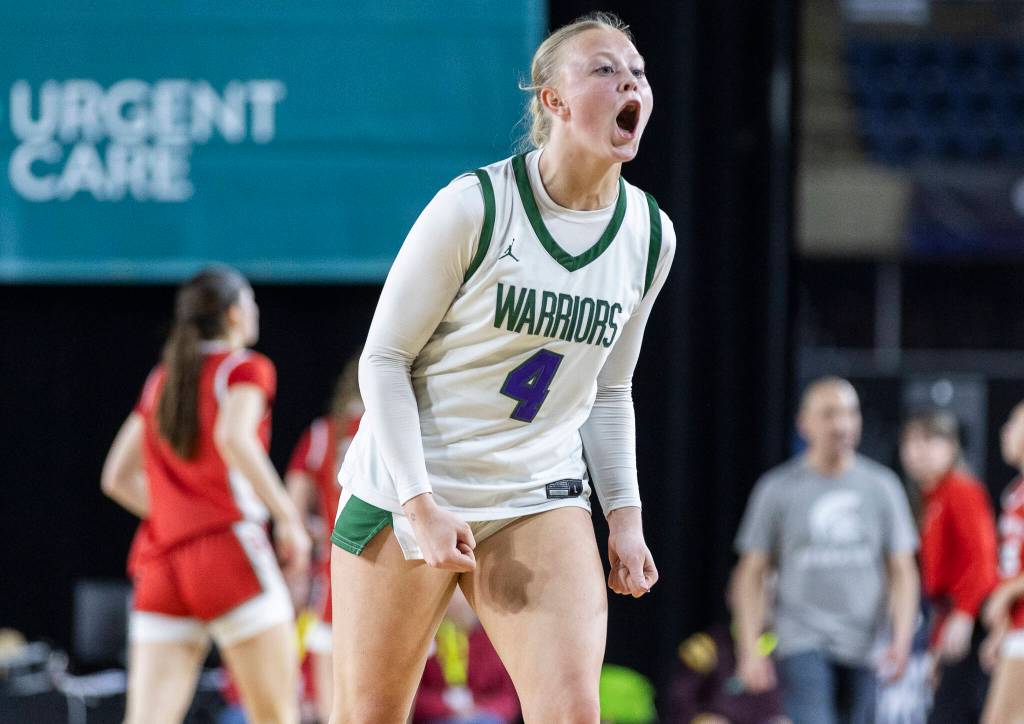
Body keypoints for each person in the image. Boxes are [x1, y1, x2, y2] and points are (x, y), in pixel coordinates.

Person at [328, 11, 675, 723]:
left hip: (534, 492)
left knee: (575, 711)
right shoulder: (476, 206)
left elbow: (611, 391)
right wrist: (420, 503)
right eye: (604, 69)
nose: (628, 81)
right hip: (411, 488)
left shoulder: (649, 235)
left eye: (636, 70)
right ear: (553, 100)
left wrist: (626, 519)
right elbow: (384, 359)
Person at [101, 266, 311, 724]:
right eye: (252, 302)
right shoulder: (245, 367)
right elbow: (233, 437)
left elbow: (116, 476)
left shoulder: (163, 377)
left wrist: (181, 517)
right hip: (227, 551)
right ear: (235, 315)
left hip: (161, 560)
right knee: (277, 716)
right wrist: (288, 517)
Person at [732, 377, 920, 724]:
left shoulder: (882, 487)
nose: (842, 424)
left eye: (850, 413)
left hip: (864, 645)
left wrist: (902, 638)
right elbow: (751, 572)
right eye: (830, 414)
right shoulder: (777, 489)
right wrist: (749, 649)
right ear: (804, 424)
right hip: (801, 639)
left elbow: (903, 570)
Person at [899, 409, 998, 723]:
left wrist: (965, 615)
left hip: (974, 620)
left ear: (952, 447)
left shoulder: (961, 490)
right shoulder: (929, 498)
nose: (919, 451)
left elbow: (983, 560)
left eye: (929, 440)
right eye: (911, 442)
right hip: (948, 617)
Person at [285, 354, 363, 722]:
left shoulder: (322, 434)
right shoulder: (403, 427)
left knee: (333, 706)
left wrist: (306, 542)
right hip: (398, 569)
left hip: (335, 570)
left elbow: (290, 513)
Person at [413, 588, 519, 724]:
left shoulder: (492, 643)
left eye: (464, 597)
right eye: (453, 596)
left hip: (484, 717)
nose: (458, 603)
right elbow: (415, 697)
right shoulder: (427, 641)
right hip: (439, 717)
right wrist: (448, 708)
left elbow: (507, 698)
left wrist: (478, 709)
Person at [980, 402, 1024, 723]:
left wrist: (1006, 593)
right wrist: (1002, 631)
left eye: (1014, 422)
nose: (1004, 431)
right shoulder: (1015, 492)